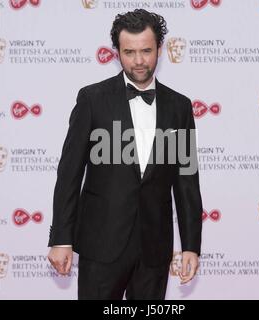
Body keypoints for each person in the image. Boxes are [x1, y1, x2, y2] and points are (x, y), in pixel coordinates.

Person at [47, 9, 203, 300]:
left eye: (146, 50)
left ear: (160, 49)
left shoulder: (179, 106)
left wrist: (192, 245)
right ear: (116, 53)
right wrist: (61, 239)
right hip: (101, 243)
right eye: (129, 52)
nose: (139, 61)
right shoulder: (92, 99)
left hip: (154, 247)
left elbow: (187, 181)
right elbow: (69, 173)